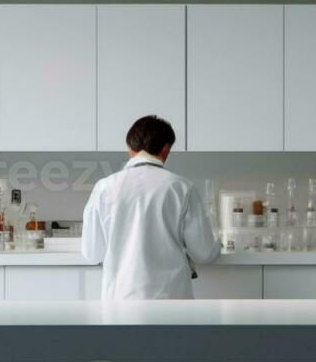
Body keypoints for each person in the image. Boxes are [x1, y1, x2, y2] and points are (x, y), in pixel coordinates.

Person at [81, 115, 221, 300]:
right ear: (166, 149)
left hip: (121, 299)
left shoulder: (105, 187)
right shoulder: (181, 187)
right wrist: (219, 244)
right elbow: (203, 253)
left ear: (130, 149)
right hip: (171, 298)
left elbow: (92, 254)